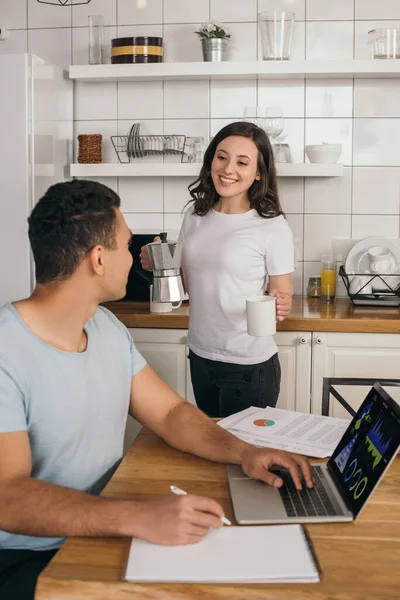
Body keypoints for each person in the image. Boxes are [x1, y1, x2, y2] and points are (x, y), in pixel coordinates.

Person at [0, 180, 312, 600]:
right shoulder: (6, 351)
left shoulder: (105, 328)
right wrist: (136, 516)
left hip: (108, 526)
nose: (132, 259)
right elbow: (8, 496)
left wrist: (245, 452)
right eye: (126, 246)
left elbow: (168, 414)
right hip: (30, 556)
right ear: (98, 259)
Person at [141, 121, 294, 418]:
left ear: (258, 173)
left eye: (242, 162)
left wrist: (281, 303)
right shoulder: (195, 216)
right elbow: (183, 287)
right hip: (201, 356)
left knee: (242, 457)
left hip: (249, 365)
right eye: (222, 157)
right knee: (213, 457)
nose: (228, 169)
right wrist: (158, 264)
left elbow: (281, 295)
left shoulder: (272, 226)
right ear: (211, 159)